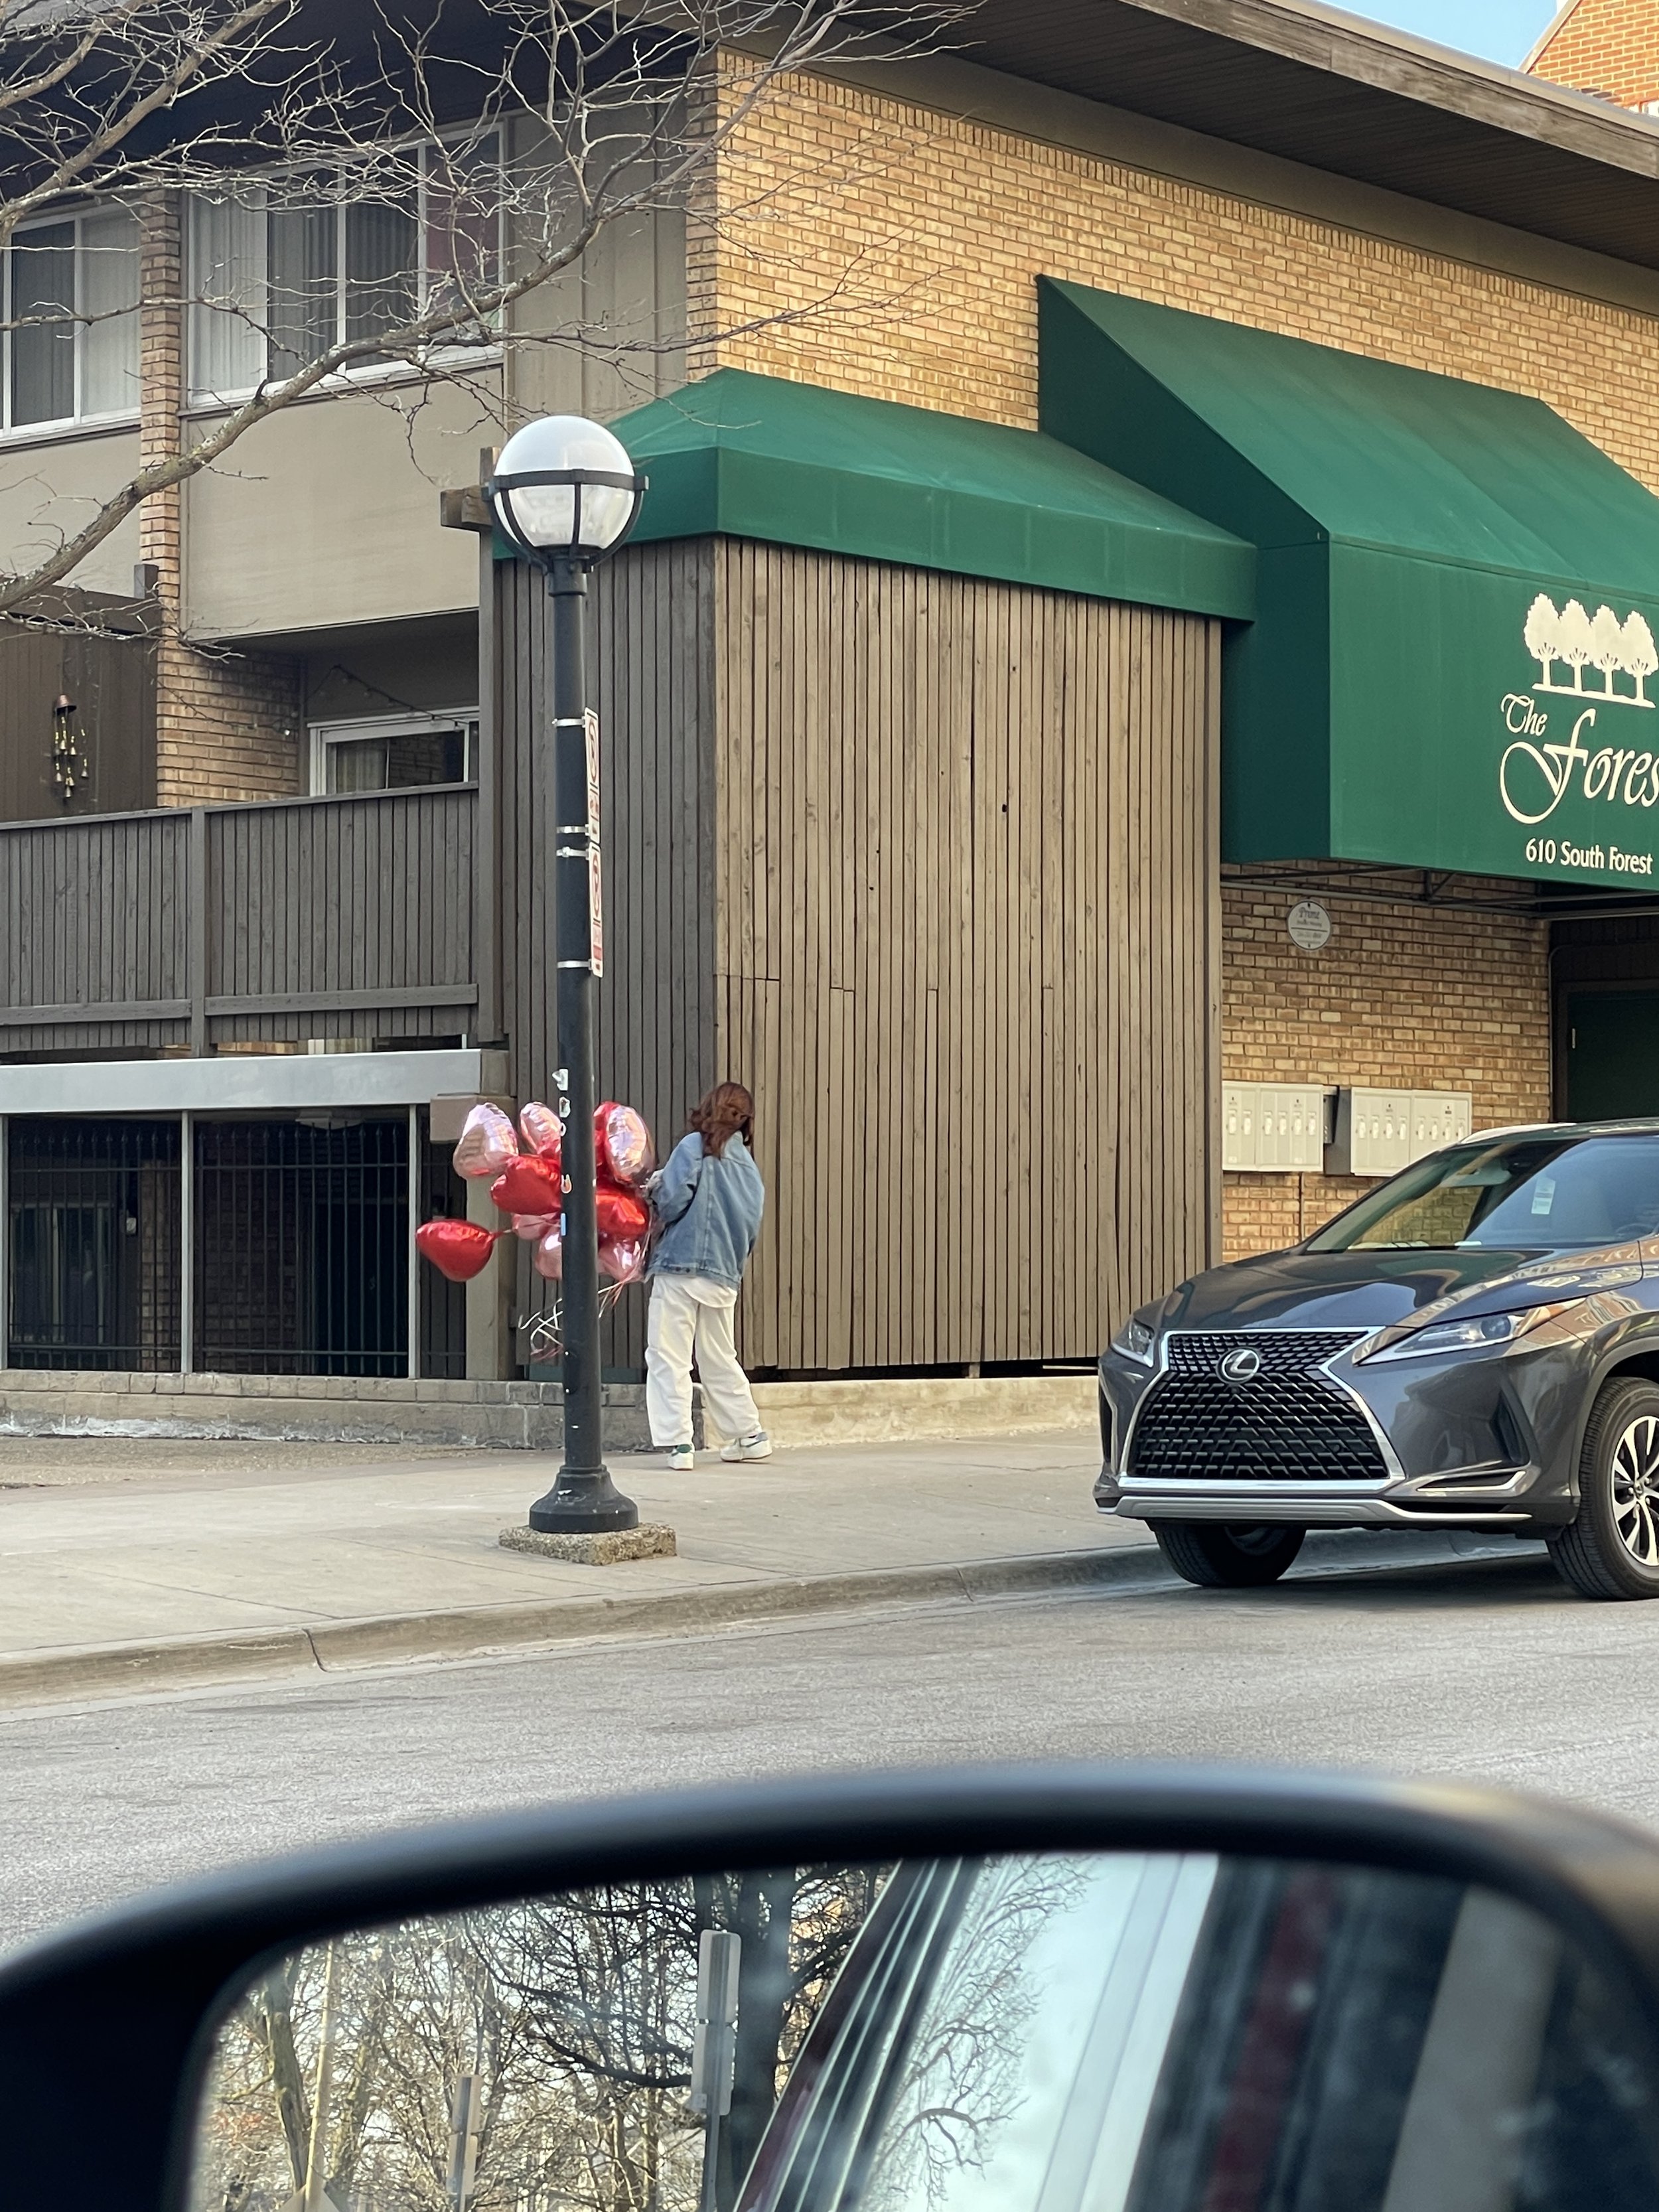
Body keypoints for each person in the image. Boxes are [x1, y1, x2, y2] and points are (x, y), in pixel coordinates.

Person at [644, 1081, 770, 1470]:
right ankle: (749, 1434)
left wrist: (654, 1189)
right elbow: (750, 1229)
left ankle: (680, 1444)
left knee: (668, 1355)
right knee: (718, 1356)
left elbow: (672, 1202)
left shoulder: (693, 1147)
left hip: (680, 1265)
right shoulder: (749, 1169)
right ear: (745, 1120)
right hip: (723, 1273)